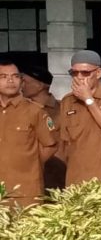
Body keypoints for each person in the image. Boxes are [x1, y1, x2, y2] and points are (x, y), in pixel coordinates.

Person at [58, 49, 101, 184]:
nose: (79, 77)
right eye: (74, 73)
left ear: (99, 73)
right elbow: (65, 143)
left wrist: (88, 99)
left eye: (85, 73)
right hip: (78, 179)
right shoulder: (67, 101)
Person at [0, 60, 58, 208]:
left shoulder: (35, 111)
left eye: (15, 76)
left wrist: (31, 164)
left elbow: (50, 145)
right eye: (3, 76)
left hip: (25, 191)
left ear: (21, 81)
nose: (10, 81)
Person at [19, 64, 65, 190]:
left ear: (41, 85)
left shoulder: (63, 110)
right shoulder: (19, 111)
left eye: (25, 81)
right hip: (26, 176)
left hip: (57, 175)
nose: (20, 85)